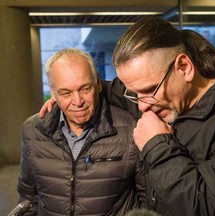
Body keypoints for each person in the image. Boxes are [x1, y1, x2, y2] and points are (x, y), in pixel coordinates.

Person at [40, 18, 215, 216]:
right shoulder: (156, 96)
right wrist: (74, 95)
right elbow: (113, 90)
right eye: (133, 93)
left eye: (148, 90)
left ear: (184, 68)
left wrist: (157, 146)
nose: (143, 106)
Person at [17, 48, 145, 215]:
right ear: (53, 93)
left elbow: (148, 200)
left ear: (98, 83)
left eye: (85, 89)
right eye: (65, 93)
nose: (78, 102)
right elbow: (28, 198)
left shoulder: (132, 129)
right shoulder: (32, 130)